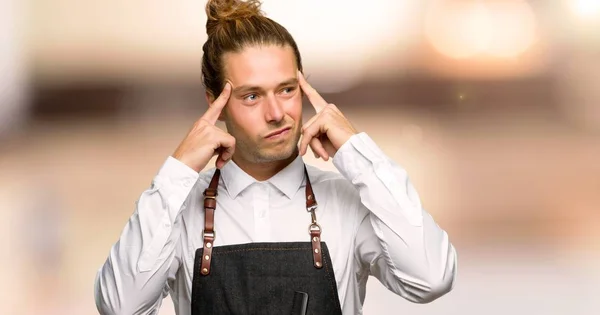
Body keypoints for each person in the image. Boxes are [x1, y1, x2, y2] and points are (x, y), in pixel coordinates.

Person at [94, 0, 457, 314]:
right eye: (252, 96)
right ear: (215, 104)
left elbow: (431, 279)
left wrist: (359, 153)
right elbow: (120, 306)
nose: (276, 113)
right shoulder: (178, 209)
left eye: (286, 90)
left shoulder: (346, 201)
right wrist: (177, 172)